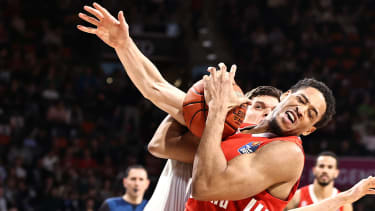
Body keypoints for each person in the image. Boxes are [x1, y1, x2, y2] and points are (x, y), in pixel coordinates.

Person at [77, 3, 375, 210]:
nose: (301, 109)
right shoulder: (236, 126)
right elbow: (157, 91)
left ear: (309, 130)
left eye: (311, 114)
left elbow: (206, 187)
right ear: (286, 95)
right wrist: (123, 45)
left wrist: (216, 112)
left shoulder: (288, 153)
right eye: (301, 99)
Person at [145, 86, 282, 211]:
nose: (268, 114)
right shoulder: (217, 134)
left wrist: (190, 106)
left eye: (274, 110)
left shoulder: (273, 156)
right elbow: (158, 145)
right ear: (240, 109)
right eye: (258, 107)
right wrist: (192, 105)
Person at [285, 152, 353, 211]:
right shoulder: (297, 197)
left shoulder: (344, 204)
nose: (325, 170)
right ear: (314, 170)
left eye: (330, 167)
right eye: (321, 166)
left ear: (336, 173)